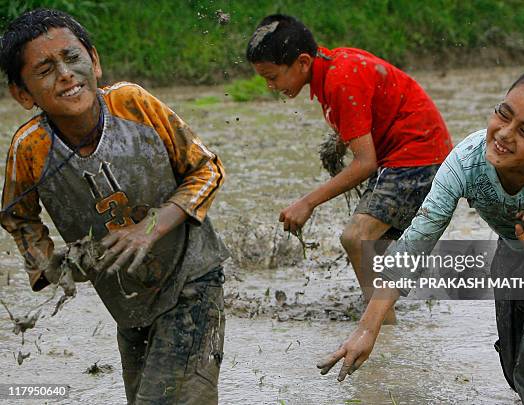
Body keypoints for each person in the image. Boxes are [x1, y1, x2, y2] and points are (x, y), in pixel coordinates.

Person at [317, 67, 524, 404]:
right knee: (518, 376)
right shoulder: (466, 163)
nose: (504, 134)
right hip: (512, 258)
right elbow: (417, 241)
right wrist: (367, 329)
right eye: (504, 114)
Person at [0, 9, 229, 404]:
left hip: (191, 277)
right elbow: (15, 214)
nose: (66, 74)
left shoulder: (133, 104)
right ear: (23, 94)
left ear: (95, 60)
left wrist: (153, 225)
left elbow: (207, 169)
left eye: (73, 58)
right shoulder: (31, 150)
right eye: (45, 70)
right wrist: (48, 264)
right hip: (126, 302)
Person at [246, 15, 453, 323]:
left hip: (418, 158)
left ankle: (381, 329)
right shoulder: (332, 64)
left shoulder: (340, 80)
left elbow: (365, 163)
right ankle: (387, 319)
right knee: (375, 251)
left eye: (273, 77)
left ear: (302, 62)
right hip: (416, 155)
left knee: (356, 238)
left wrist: (307, 203)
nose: (270, 86)